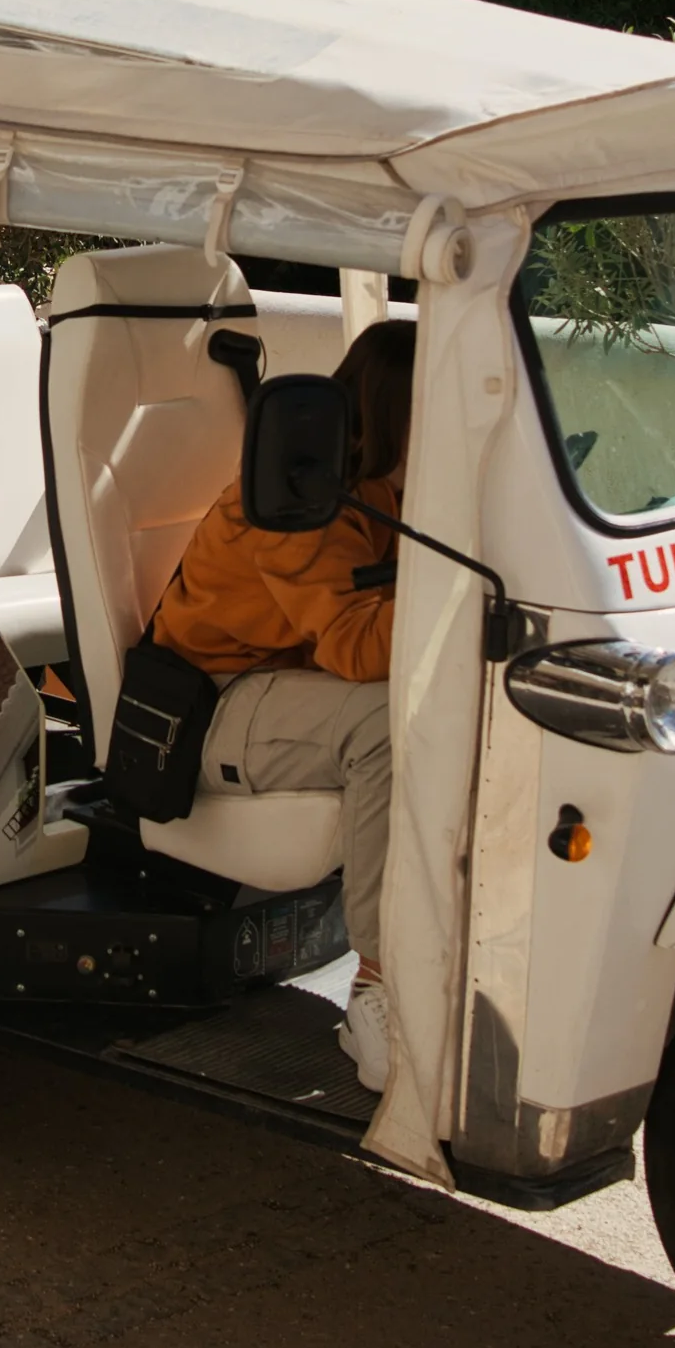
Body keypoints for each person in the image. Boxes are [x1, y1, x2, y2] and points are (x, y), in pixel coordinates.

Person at [153, 318, 414, 1092]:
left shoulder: (382, 490)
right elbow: (360, 649)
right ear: (402, 411)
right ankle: (376, 984)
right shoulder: (297, 500)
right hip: (213, 702)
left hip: (291, 686)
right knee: (387, 727)